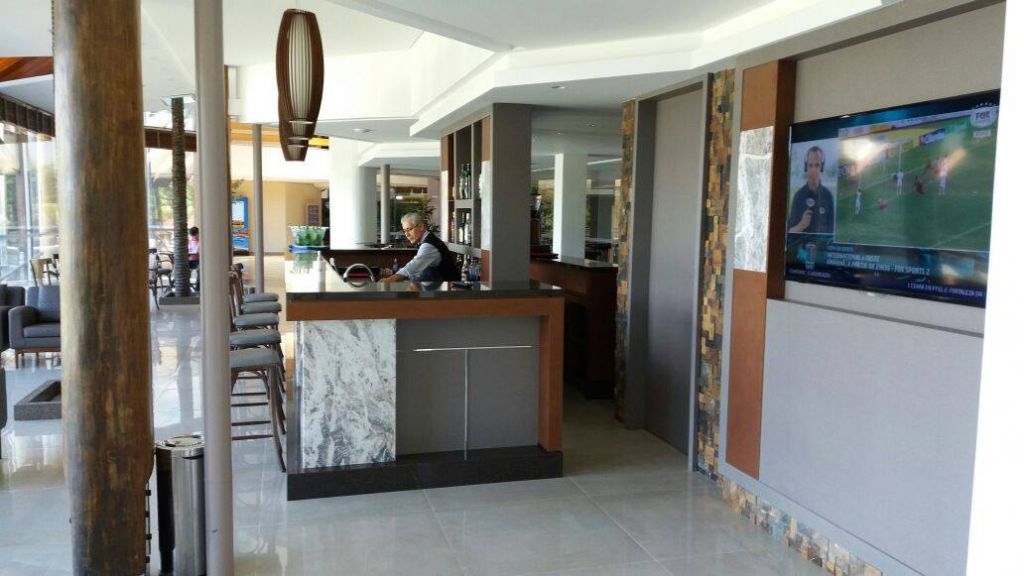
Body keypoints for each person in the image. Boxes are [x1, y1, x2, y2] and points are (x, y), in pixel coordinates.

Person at [380, 212, 459, 283]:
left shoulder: (429, 246)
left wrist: (389, 280)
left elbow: (412, 268)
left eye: (409, 229)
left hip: (449, 290)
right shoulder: (428, 240)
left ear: (421, 227)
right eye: (405, 231)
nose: (407, 234)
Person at [787, 146, 835, 234]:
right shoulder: (798, 197)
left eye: (817, 165)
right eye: (810, 165)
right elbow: (789, 232)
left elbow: (831, 233)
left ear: (822, 167)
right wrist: (801, 225)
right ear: (806, 167)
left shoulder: (828, 196)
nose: (813, 170)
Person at [187, 226, 200, 292]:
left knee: (200, 270)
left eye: (194, 235)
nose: (193, 237)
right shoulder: (189, 242)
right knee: (183, 269)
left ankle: (198, 288)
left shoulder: (200, 242)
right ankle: (186, 287)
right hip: (189, 260)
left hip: (197, 261)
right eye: (192, 236)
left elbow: (198, 251)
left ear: (198, 234)